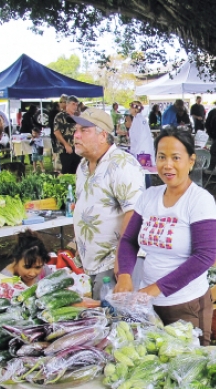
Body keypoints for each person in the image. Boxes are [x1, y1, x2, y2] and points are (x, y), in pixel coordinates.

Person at [114, 129, 216, 346]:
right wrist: (125, 274)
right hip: (147, 304)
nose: (167, 165)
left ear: (191, 161)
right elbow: (128, 240)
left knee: (190, 367)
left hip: (186, 305)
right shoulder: (149, 196)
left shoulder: (199, 201)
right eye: (161, 157)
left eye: (176, 158)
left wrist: (156, 289)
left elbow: (205, 256)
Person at [70, 108, 145, 299]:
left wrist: (123, 261)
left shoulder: (122, 164)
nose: (76, 135)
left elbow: (134, 213)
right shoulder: (83, 166)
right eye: (75, 130)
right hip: (91, 262)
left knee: (116, 321)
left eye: (84, 130)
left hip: (114, 264)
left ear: (103, 136)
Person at [54, 96, 81, 174]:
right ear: (67, 104)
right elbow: (56, 132)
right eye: (73, 104)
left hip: (77, 149)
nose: (75, 107)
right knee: (65, 172)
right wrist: (66, 145)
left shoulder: (77, 117)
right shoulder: (60, 116)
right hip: (65, 149)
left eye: (76, 105)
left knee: (77, 171)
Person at [49, 95, 67, 175]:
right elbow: (56, 131)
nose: (59, 104)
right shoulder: (58, 115)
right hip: (61, 143)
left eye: (61, 102)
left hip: (65, 143)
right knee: (59, 158)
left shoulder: (70, 114)